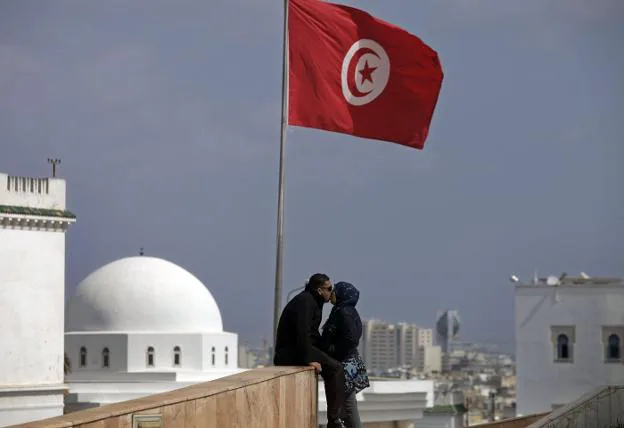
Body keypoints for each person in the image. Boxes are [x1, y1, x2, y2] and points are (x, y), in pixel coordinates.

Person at [274, 273, 347, 428]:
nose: (331, 291)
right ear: (320, 290)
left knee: (334, 366)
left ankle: (336, 418)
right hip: (290, 352)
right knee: (336, 369)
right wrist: (308, 358)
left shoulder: (313, 301)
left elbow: (313, 334)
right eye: (329, 288)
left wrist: (326, 351)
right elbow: (302, 333)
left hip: (299, 348)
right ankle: (334, 421)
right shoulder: (305, 302)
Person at [320, 282, 369, 428]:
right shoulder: (345, 310)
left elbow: (350, 339)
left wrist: (332, 349)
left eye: (334, 291)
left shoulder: (344, 312)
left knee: (348, 404)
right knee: (345, 403)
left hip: (345, 363)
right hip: (347, 362)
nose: (332, 294)